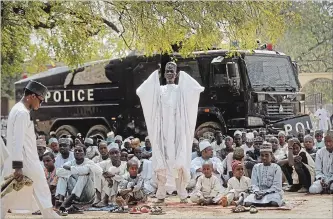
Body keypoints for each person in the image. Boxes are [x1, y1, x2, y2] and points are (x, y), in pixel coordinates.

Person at [136, 61, 204, 204]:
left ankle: (182, 193)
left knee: (178, 161)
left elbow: (194, 90)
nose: (169, 73)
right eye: (167, 70)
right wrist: (154, 75)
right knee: (161, 160)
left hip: (178, 130)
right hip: (162, 131)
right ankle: (161, 194)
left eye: (172, 71)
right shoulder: (159, 90)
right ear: (164, 73)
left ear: (176, 73)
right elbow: (143, 92)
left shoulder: (181, 90)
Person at [2, 80, 60, 218]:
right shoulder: (22, 113)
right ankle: (50, 216)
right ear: (32, 96)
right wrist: (18, 166)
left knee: (6, 195)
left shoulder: (16, 109)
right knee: (43, 192)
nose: (41, 104)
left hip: (16, 160)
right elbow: (18, 141)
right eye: (41, 100)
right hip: (26, 161)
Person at [55, 145, 102, 211]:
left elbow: (85, 170)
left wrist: (70, 169)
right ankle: (60, 199)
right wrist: (73, 171)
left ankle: (67, 201)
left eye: (80, 151)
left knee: (84, 175)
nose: (77, 152)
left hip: (88, 195)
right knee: (62, 177)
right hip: (76, 197)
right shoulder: (71, 162)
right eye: (75, 151)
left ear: (84, 153)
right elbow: (58, 172)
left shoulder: (89, 162)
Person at [244, 142, 284, 207]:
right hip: (258, 193)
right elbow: (254, 184)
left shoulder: (276, 167)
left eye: (266, 155)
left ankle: (261, 203)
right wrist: (257, 192)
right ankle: (263, 203)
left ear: (271, 155)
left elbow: (277, 186)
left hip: (272, 193)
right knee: (247, 202)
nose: (264, 158)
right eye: (262, 155)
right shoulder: (256, 167)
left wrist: (265, 193)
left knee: (274, 202)